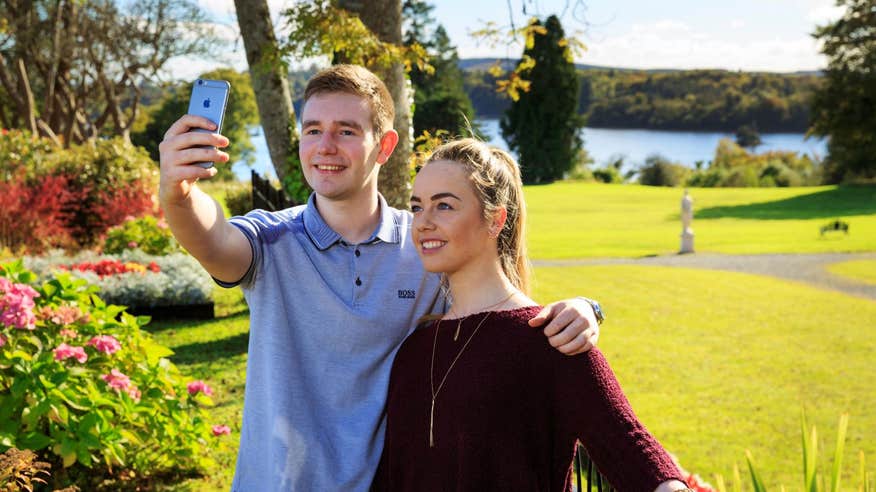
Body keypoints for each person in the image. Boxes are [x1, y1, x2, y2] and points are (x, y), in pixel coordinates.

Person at [158, 64, 603, 491]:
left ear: (385, 146)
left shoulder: (425, 247)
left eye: (346, 131)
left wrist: (586, 308)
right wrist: (178, 194)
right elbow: (211, 238)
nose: (325, 146)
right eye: (312, 130)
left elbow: (498, 311)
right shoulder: (269, 243)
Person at [373, 138, 690, 492]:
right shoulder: (414, 350)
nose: (424, 223)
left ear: (495, 220)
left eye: (444, 206)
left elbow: (633, 451)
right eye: (417, 207)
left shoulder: (551, 339)